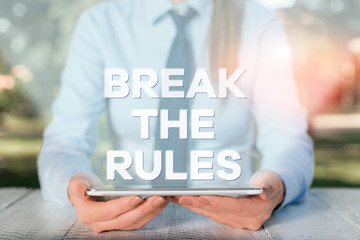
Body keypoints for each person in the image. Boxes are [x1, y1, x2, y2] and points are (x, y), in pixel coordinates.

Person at [38, 0, 314, 232]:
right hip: (129, 223)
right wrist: (72, 185)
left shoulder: (259, 23)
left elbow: (287, 138)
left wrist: (276, 186)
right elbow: (65, 139)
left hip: (232, 225)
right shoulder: (101, 23)